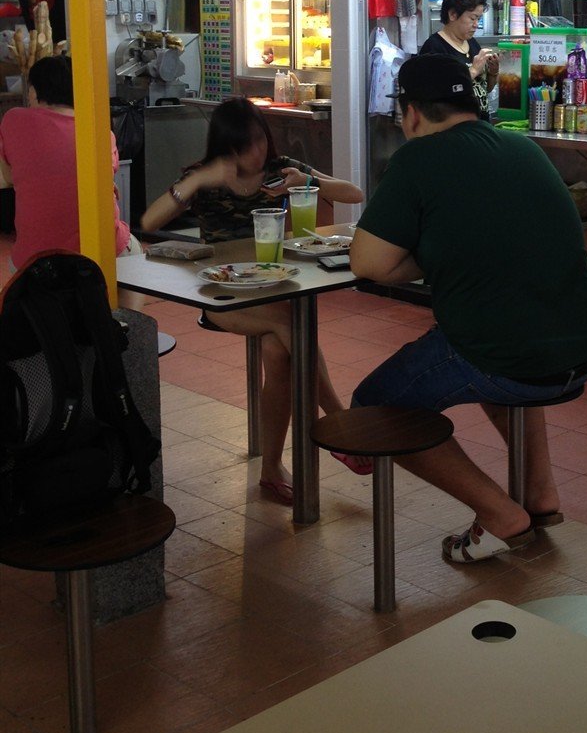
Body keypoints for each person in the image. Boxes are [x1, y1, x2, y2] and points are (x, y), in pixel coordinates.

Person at [348, 54, 587, 562]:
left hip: (505, 351)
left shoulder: (419, 159)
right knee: (503, 368)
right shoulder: (522, 147)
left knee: (375, 408)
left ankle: (500, 513)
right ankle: (541, 495)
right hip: (583, 347)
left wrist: (422, 259)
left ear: (412, 113)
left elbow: (369, 263)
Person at [141, 96, 365, 504]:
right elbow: (148, 222)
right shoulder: (205, 177)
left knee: (280, 352)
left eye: (260, 140)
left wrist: (308, 181)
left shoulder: (282, 171)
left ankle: (271, 470)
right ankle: (341, 428)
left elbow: (353, 193)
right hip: (222, 294)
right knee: (290, 325)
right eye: (244, 145)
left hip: (276, 285)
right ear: (226, 147)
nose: (256, 152)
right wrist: (195, 181)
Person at [0, 54, 137, 272]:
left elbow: (8, 177)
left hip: (31, 260)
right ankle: (118, 307)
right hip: (98, 253)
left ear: (34, 91)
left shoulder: (13, 120)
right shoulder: (101, 130)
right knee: (134, 249)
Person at [418, 0, 498, 116]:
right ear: (453, 15)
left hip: (479, 125)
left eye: (478, 19)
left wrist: (492, 73)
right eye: (472, 18)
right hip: (454, 130)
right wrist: (472, 71)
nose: (476, 25)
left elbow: (483, 90)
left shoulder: (473, 44)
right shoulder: (434, 48)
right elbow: (436, 94)